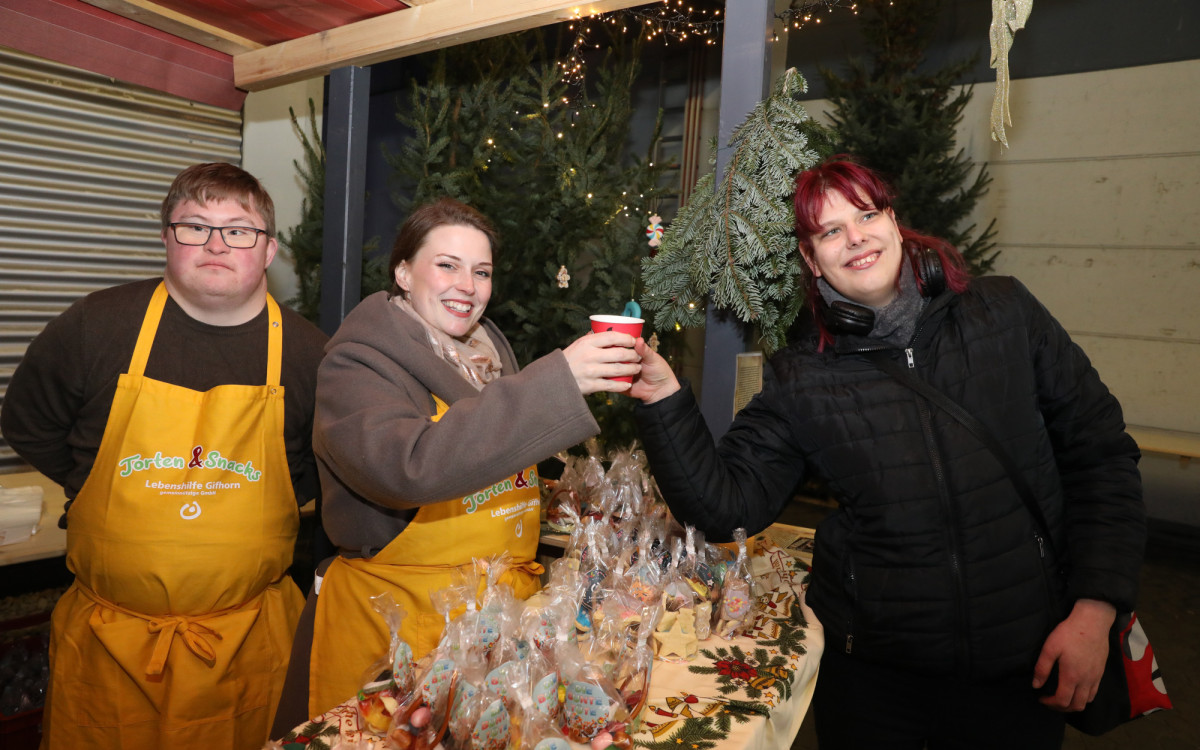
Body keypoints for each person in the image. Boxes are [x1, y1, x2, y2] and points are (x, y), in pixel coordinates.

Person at [627, 156, 1145, 749]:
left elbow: (1101, 456)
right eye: (829, 231)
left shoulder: (1005, 313)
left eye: (866, 215)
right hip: (875, 686)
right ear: (810, 258)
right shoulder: (803, 376)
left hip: (1020, 664)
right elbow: (724, 507)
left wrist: (1095, 611)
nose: (855, 238)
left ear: (894, 222)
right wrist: (663, 397)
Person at [272, 197, 638, 726]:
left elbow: (492, 452)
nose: (466, 285)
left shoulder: (489, 352)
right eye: (447, 265)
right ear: (403, 272)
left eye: (481, 271)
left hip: (492, 622)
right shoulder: (356, 363)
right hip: (395, 627)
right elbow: (410, 466)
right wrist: (558, 382)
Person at [0, 162, 329, 749]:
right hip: (107, 649)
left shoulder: (309, 354)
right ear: (165, 238)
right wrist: (103, 487)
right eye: (194, 226)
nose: (216, 243)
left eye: (239, 229)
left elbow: (312, 473)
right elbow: (29, 423)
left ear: (270, 249)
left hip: (249, 649)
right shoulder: (94, 327)